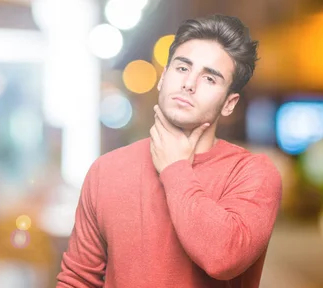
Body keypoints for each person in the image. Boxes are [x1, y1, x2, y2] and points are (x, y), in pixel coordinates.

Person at [56, 14, 282, 287]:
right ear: (163, 78)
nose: (189, 84)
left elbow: (223, 258)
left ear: (229, 104)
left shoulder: (252, 173)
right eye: (182, 68)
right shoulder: (106, 170)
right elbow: (78, 279)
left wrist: (175, 168)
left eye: (210, 79)